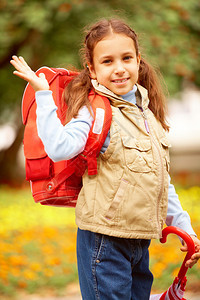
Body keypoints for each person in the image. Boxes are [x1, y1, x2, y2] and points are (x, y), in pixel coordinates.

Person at [10, 18, 200, 300]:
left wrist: (183, 225)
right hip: (103, 242)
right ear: (93, 69)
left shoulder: (148, 114)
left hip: (139, 241)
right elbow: (60, 148)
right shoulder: (93, 110)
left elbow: (160, 178)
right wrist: (43, 94)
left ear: (138, 60)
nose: (119, 68)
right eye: (107, 61)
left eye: (126, 58)